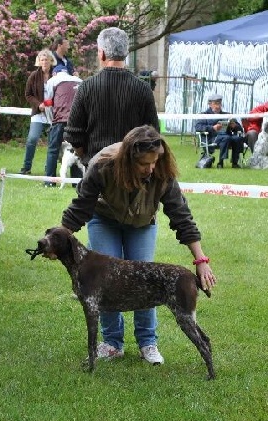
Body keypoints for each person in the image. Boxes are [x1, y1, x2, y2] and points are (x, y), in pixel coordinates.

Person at [60, 125, 217, 365]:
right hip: (104, 219)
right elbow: (81, 207)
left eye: (155, 161)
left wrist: (200, 259)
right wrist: (60, 236)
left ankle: (147, 342)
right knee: (103, 279)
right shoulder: (102, 165)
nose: (151, 168)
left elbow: (180, 215)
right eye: (145, 164)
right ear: (129, 159)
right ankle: (112, 343)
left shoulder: (162, 172)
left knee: (146, 278)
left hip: (142, 222)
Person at [64, 27, 160, 166]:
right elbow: (153, 134)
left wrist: (86, 157)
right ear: (126, 53)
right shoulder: (143, 89)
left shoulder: (86, 87)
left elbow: (73, 134)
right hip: (132, 168)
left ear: (101, 53)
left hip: (96, 169)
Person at [43, 65, 82, 187]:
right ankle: (76, 182)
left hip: (60, 119)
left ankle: (50, 181)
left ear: (54, 73)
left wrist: (51, 121)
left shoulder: (52, 81)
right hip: (78, 121)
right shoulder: (80, 81)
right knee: (77, 149)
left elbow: (48, 103)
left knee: (53, 150)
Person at [20, 49, 55, 175]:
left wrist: (49, 104)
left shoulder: (56, 74)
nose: (44, 62)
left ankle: (49, 169)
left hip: (53, 113)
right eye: (42, 59)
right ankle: (26, 167)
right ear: (39, 61)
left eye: (46, 59)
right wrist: (38, 104)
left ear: (51, 61)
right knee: (32, 139)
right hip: (38, 112)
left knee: (53, 142)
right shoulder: (34, 75)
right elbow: (28, 94)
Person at [194, 94, 244, 168]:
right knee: (226, 138)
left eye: (219, 103)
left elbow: (240, 129)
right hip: (212, 138)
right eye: (216, 103)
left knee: (237, 138)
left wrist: (234, 126)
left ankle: (235, 162)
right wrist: (212, 128)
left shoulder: (226, 115)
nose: (218, 106)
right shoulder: (204, 115)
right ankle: (220, 162)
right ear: (210, 104)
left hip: (227, 137)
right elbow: (198, 127)